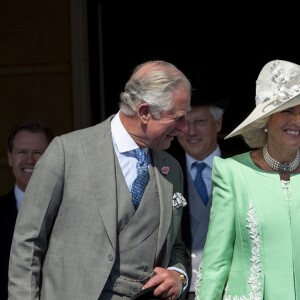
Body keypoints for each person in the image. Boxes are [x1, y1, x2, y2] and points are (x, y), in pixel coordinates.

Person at [8, 60, 191, 300]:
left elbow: (176, 246)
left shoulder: (171, 168)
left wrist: (178, 276)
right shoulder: (67, 151)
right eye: (177, 118)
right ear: (144, 112)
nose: (184, 128)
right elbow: (28, 243)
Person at [196, 59, 300, 299]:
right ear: (265, 121)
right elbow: (215, 263)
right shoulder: (232, 173)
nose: (297, 120)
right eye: (287, 110)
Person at [167, 95, 228, 300]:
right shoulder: (163, 171)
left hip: (229, 288)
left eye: (200, 122)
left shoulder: (240, 168)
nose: (191, 131)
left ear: (218, 123)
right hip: (181, 291)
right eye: (184, 123)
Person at [0, 119, 53, 300]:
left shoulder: (70, 213)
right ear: (9, 157)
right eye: (22, 152)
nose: (30, 159)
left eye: (38, 153)